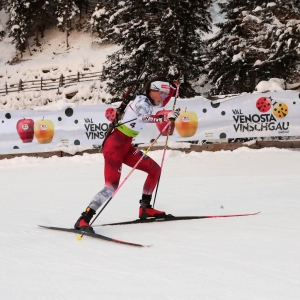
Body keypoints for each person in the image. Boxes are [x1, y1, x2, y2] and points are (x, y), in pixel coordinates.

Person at [74, 76, 180, 232]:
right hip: (115, 146)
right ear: (153, 91)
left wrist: (173, 88)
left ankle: (145, 208)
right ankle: (84, 219)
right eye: (162, 93)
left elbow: (164, 102)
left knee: (154, 170)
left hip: (126, 146)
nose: (164, 97)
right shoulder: (142, 102)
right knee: (111, 187)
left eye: (165, 94)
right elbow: (142, 117)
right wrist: (165, 117)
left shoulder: (150, 101)